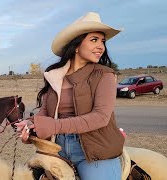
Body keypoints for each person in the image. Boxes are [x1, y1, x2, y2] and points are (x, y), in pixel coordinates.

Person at [16, 12, 125, 180]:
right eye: (94, 40)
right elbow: (45, 112)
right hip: (56, 148)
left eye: (102, 41)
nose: (101, 47)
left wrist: (53, 126)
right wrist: (29, 124)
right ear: (76, 44)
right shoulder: (55, 76)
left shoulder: (104, 75)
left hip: (95, 150)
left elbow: (101, 117)